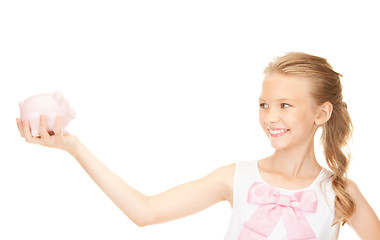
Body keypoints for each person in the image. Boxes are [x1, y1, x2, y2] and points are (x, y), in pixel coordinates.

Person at [16, 52, 380, 239]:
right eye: (264, 104)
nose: (270, 117)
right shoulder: (235, 178)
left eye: (285, 105)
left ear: (322, 113)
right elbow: (145, 212)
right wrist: (73, 146)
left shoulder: (340, 193)